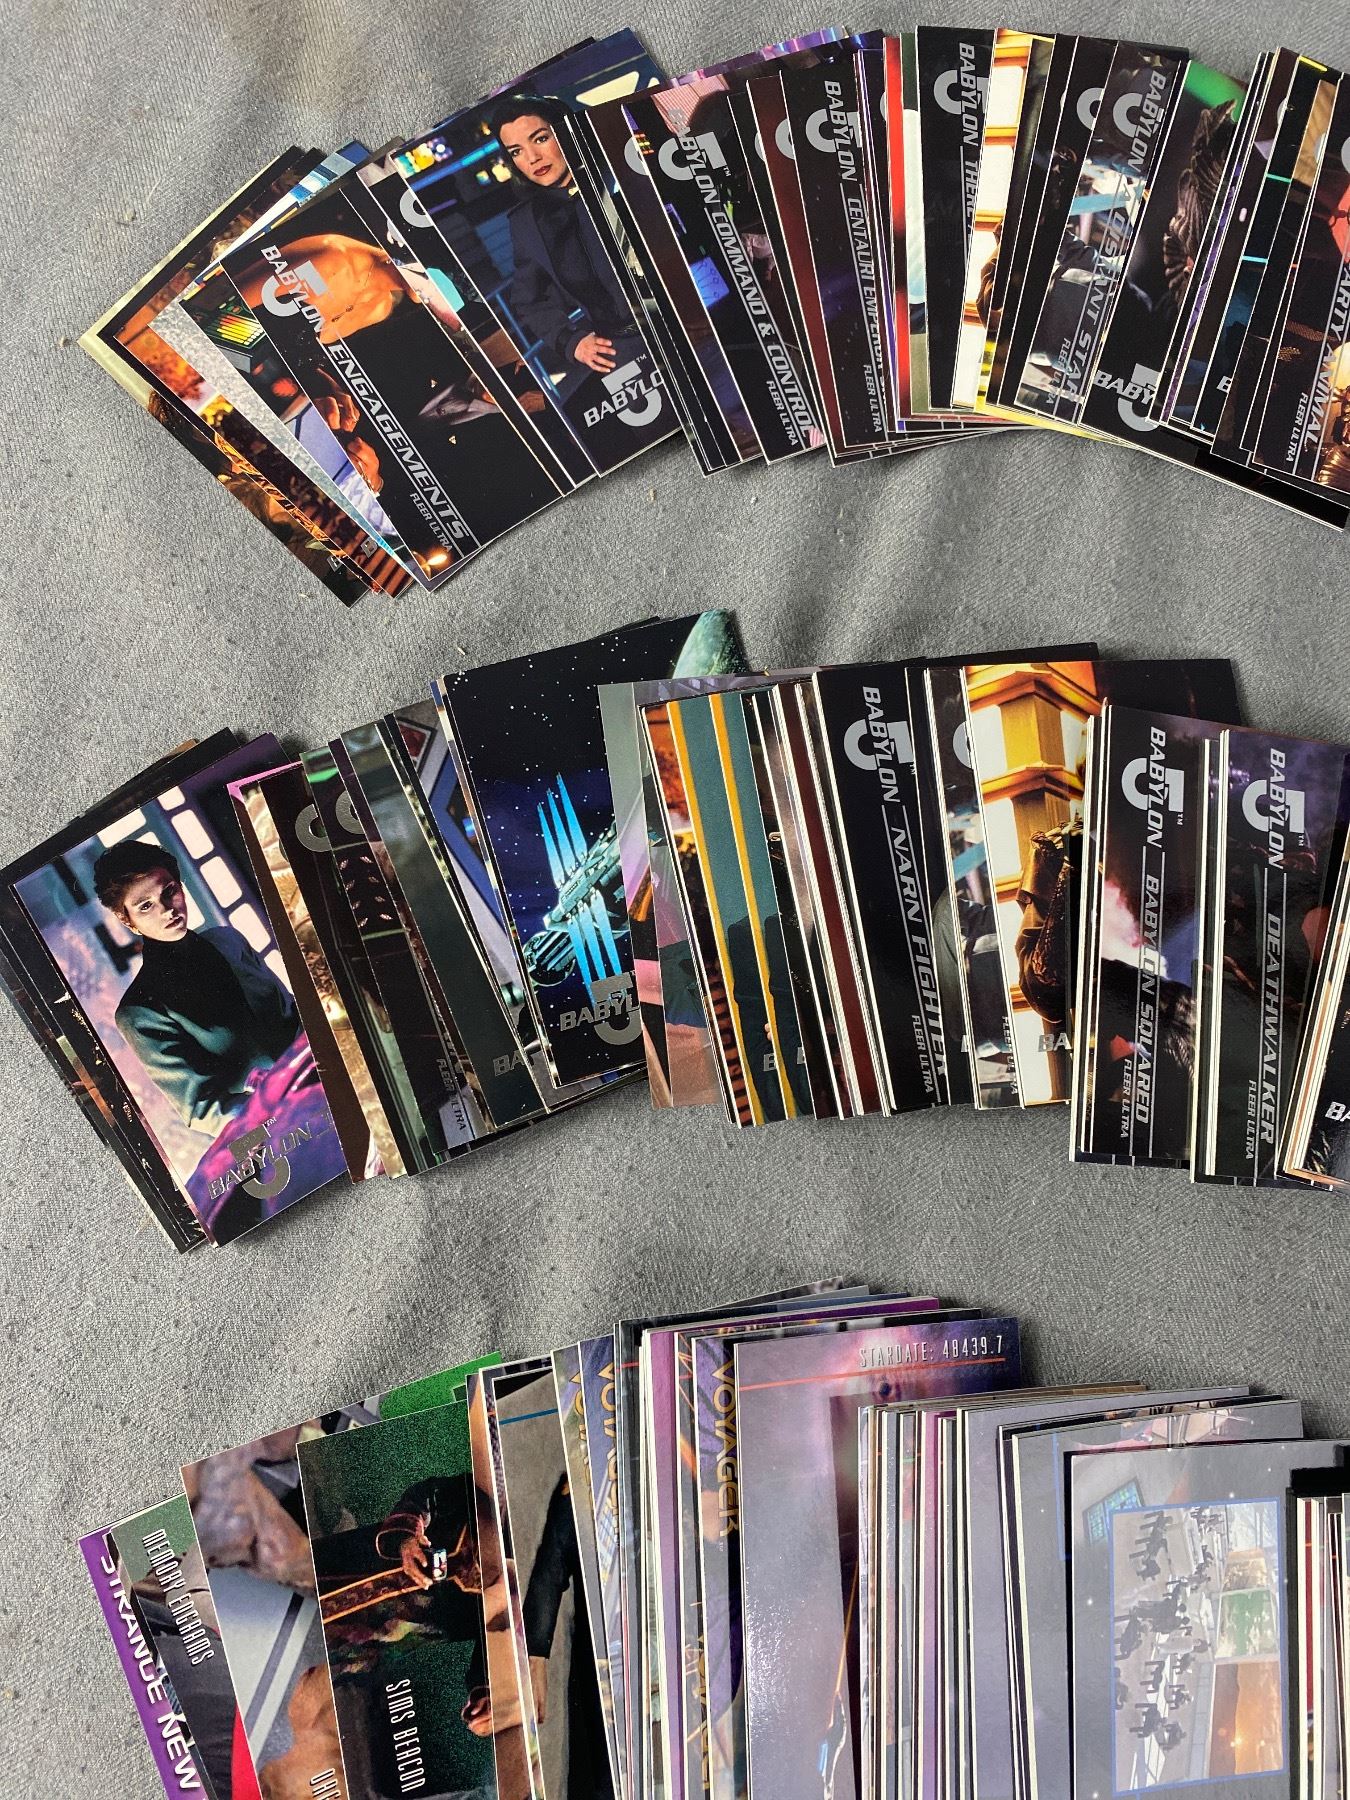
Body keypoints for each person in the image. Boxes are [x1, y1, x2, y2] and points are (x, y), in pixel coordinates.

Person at [94, 839, 302, 1138]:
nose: (167, 910)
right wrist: (285, 1111)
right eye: (145, 906)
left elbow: (293, 1010)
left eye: (169, 891)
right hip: (282, 1125)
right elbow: (203, 1110)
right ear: (127, 920)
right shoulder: (139, 1011)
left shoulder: (228, 941)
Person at [489, 94, 647, 402]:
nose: (532, 158)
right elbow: (529, 301)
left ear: (566, 130)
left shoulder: (621, 173)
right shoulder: (528, 223)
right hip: (620, 350)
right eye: (517, 151)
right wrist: (572, 342)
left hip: (691, 321)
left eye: (540, 138)